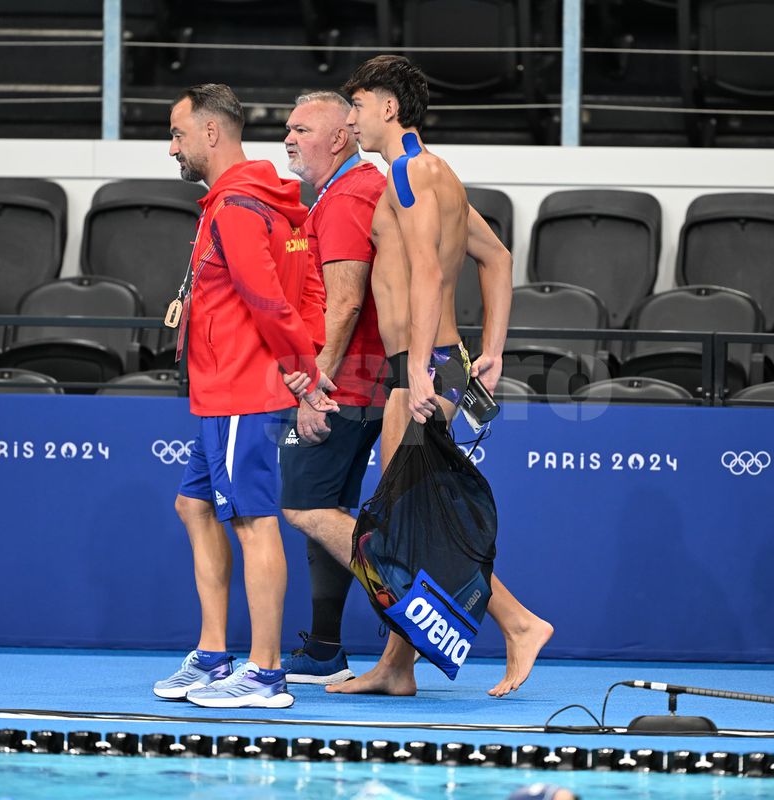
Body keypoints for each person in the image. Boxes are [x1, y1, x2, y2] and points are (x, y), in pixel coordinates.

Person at [288, 56, 554, 698]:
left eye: (358, 106)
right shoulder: (441, 176)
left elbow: (432, 276)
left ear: (388, 108)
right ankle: (397, 666)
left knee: (403, 524)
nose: (351, 118)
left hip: (423, 372)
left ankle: (519, 624)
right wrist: (489, 352)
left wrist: (416, 368)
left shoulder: (408, 172)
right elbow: (496, 259)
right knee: (408, 518)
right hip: (443, 363)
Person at [151, 83, 336, 709]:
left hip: (241, 388)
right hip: (221, 387)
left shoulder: (237, 205)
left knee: (255, 524)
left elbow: (267, 299)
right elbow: (310, 288)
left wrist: (301, 373)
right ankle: (212, 655)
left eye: (178, 134)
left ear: (211, 134)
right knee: (193, 507)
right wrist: (305, 360)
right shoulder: (267, 201)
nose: (172, 146)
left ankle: (265, 672)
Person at [278, 91, 387, 685]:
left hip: (349, 383)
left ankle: (405, 593)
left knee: (303, 507)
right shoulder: (360, 186)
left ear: (340, 136)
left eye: (301, 129)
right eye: (287, 130)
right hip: (371, 380)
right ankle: (324, 647)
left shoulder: (347, 196)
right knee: (330, 511)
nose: (289, 139)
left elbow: (344, 304)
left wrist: (315, 388)